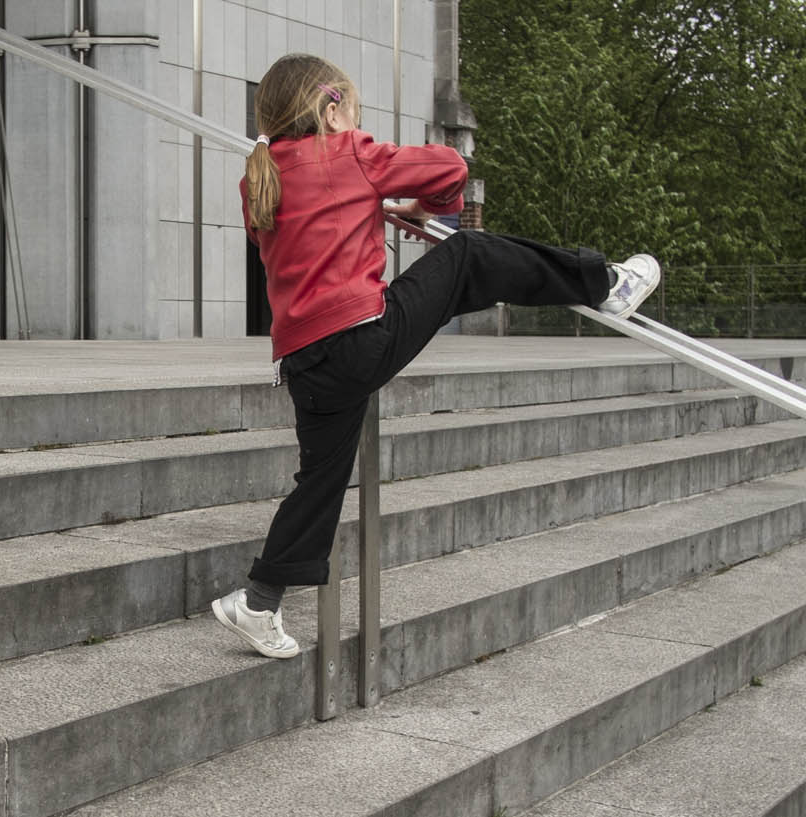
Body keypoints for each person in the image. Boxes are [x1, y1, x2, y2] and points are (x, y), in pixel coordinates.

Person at [212, 53, 661, 659]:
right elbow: (450, 166)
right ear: (331, 107)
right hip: (359, 338)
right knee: (471, 254)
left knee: (320, 478)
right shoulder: (348, 153)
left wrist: (372, 207)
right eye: (352, 108)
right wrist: (421, 208)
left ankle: (260, 600)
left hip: (304, 362)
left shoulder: (258, 179)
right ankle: (605, 284)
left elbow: (312, 230)